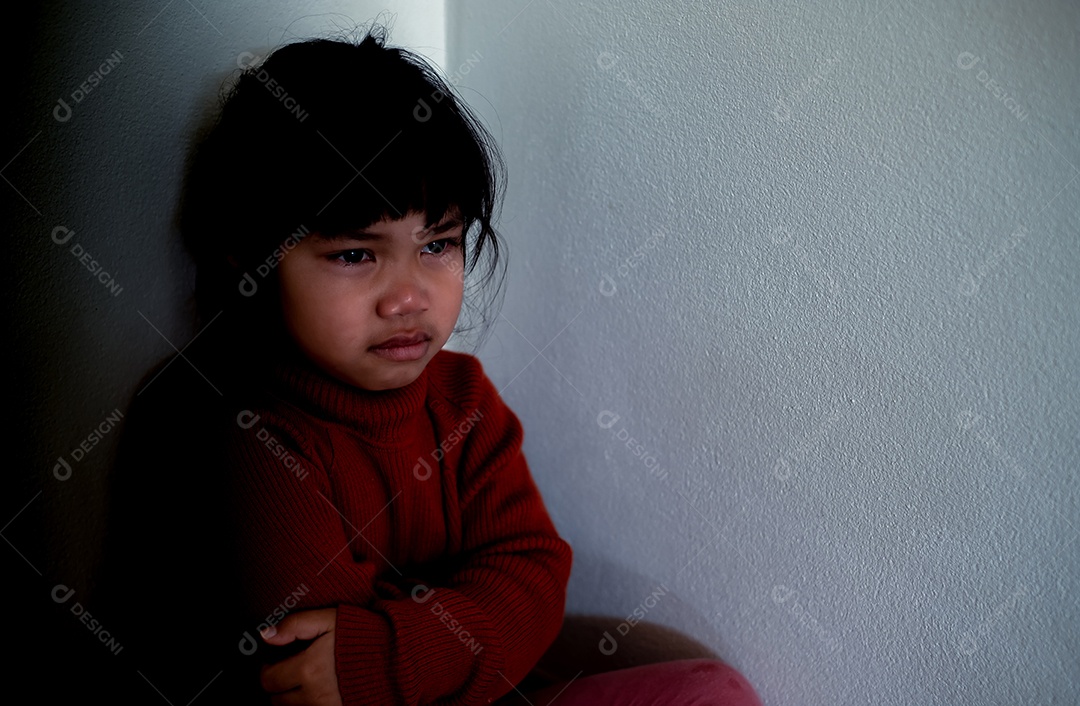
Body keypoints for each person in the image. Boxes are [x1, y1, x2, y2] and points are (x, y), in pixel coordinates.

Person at [110, 25, 763, 706]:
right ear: (246, 258)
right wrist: (473, 615)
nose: (409, 297)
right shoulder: (240, 428)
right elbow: (313, 667)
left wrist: (397, 645)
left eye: (438, 244)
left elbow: (534, 573)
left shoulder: (462, 401)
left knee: (715, 690)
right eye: (355, 254)